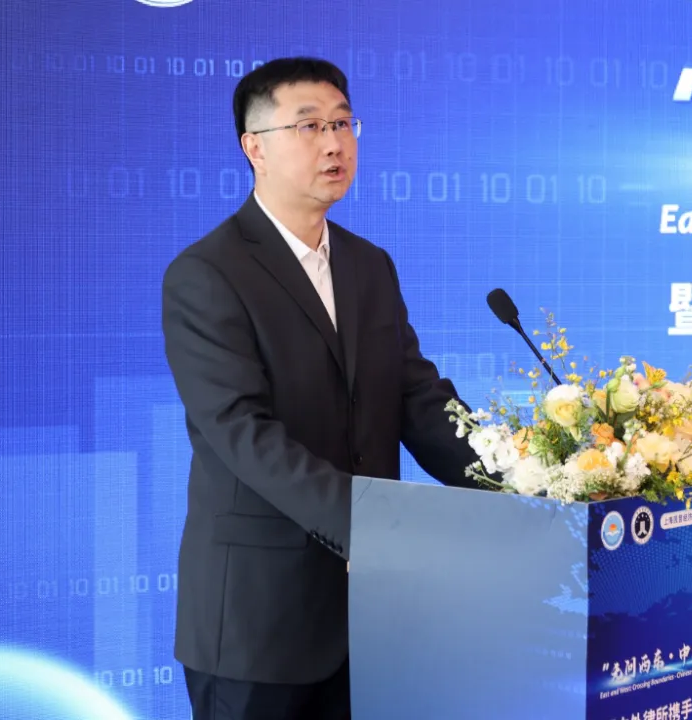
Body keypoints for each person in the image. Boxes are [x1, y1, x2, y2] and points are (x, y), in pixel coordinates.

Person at [160, 57, 483, 720]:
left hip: (372, 618)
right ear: (254, 147)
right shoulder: (207, 274)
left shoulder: (369, 265)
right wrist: (373, 526)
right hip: (259, 621)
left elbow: (418, 399)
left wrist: (529, 486)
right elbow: (243, 435)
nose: (334, 143)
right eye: (308, 126)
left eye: (342, 123)